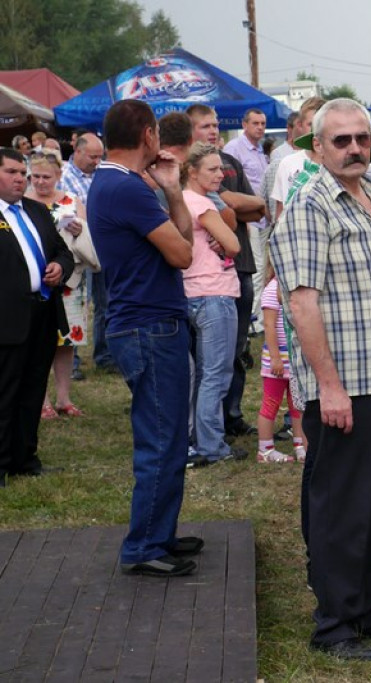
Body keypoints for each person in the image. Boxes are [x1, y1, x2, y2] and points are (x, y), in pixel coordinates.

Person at [270, 98, 371, 661]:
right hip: (345, 385)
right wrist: (329, 386)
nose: (356, 148)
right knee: (341, 502)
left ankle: (368, 607)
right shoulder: (312, 205)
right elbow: (302, 304)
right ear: (317, 148)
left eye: (362, 138)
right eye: (342, 140)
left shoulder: (367, 199)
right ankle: (334, 622)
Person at [88, 100, 201, 575]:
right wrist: (169, 196)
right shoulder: (125, 187)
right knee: (161, 438)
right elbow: (183, 253)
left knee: (170, 436)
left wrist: (173, 190)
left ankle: (158, 534)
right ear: (149, 136)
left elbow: (182, 240)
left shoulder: (120, 183)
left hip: (147, 323)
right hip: (149, 327)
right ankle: (144, 547)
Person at [187, 104, 267, 438]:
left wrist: (230, 202)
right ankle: (206, 433)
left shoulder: (227, 167)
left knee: (228, 355)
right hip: (205, 284)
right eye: (205, 125)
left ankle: (224, 420)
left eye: (216, 125)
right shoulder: (189, 188)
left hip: (231, 274)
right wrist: (227, 207)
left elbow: (257, 207)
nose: (213, 131)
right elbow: (230, 230)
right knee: (208, 365)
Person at [0, 148, 73, 488]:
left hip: (42, 312)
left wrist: (60, 265)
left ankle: (25, 456)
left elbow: (62, 249)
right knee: (6, 391)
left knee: (32, 388)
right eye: (12, 172)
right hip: (7, 317)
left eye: (22, 174)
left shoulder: (36, 210)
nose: (20, 179)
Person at [180, 142, 244, 467]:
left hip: (194, 292)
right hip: (213, 292)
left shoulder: (183, 201)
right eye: (213, 169)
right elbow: (233, 243)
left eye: (221, 168)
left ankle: (200, 439)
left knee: (204, 372)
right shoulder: (200, 203)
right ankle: (212, 446)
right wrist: (224, 237)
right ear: (192, 171)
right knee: (216, 374)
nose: (221, 174)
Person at [25, 152, 99, 419]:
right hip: (37, 280)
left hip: (71, 280)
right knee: (39, 342)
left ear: (58, 176)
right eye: (36, 177)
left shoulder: (72, 201)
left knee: (67, 341)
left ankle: (64, 399)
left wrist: (82, 230)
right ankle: (41, 401)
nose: (41, 182)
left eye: (46, 177)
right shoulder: (22, 203)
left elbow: (90, 235)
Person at [58, 133, 110, 374]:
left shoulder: (101, 175)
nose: (97, 161)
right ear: (77, 151)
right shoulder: (63, 177)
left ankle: (105, 355)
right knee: (77, 304)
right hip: (76, 251)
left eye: (100, 156)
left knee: (105, 303)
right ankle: (73, 363)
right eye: (92, 156)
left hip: (101, 248)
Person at [256, 260, 305, 463]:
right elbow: (269, 326)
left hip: (293, 361)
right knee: (271, 403)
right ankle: (265, 449)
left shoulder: (291, 289)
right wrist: (275, 357)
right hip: (276, 363)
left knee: (297, 404)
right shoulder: (271, 290)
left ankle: (300, 443)